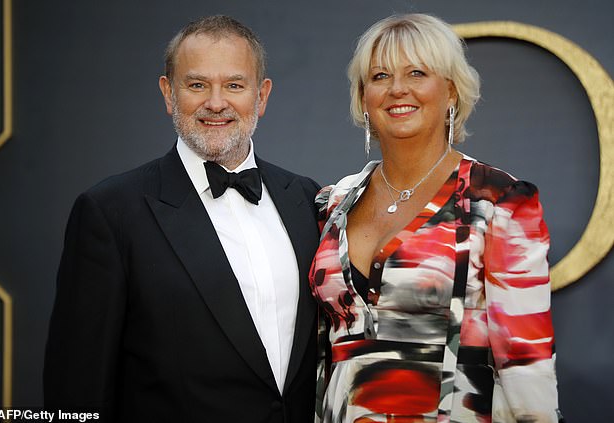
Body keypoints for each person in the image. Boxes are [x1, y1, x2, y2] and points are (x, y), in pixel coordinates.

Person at [44, 15, 320, 422]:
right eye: (196, 85)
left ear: (261, 96)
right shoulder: (110, 212)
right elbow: (77, 390)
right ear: (168, 93)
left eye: (234, 85)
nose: (215, 102)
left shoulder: (307, 199)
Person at [309, 14, 562, 422]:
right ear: (363, 97)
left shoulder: (499, 200)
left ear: (451, 92)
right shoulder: (332, 202)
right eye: (379, 76)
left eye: (416, 72)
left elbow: (525, 361)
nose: (397, 89)